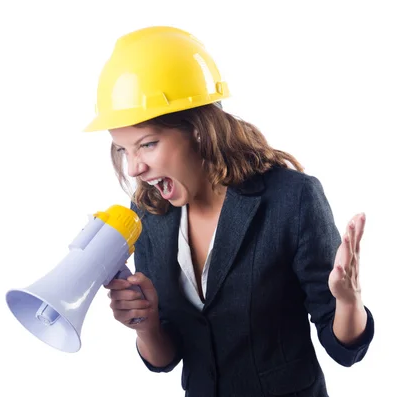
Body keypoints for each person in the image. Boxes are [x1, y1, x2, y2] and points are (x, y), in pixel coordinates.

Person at [85, 26, 375, 397]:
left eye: (147, 144)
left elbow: (345, 349)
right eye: (123, 150)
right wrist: (146, 323)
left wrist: (349, 301)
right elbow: (166, 357)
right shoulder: (149, 213)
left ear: (200, 131)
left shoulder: (292, 199)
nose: (133, 168)